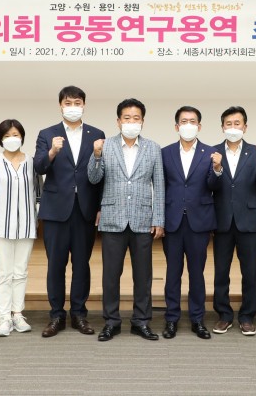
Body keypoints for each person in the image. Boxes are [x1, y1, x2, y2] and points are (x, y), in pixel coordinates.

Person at [88, 98, 165, 342]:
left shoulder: (153, 148)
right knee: (111, 276)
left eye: (136, 118)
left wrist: (159, 218)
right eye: (127, 118)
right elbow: (93, 178)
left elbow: (159, 186)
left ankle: (141, 321)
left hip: (143, 219)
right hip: (113, 218)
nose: (132, 122)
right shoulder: (105, 145)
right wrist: (96, 155)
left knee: (143, 276)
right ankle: (111, 321)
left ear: (142, 121)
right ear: (118, 121)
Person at [34, 86, 105, 338]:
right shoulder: (47, 134)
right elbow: (39, 167)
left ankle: (79, 313)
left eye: (77, 102)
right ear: (60, 106)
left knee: (81, 264)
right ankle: (56, 315)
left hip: (85, 209)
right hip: (56, 210)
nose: (72, 107)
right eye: (68, 103)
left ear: (83, 105)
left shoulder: (97, 134)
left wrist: (99, 206)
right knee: (56, 264)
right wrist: (52, 152)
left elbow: (101, 174)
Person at [160, 106, 220, 340]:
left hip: (199, 221)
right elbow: (161, 186)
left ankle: (197, 319)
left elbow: (214, 186)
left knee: (197, 273)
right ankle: (171, 319)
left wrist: (217, 169)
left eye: (192, 121)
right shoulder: (165, 153)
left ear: (199, 126)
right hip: (172, 221)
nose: (188, 125)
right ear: (176, 126)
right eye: (184, 121)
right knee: (172, 273)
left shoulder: (211, 153)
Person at [211, 106, 256, 336]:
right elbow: (210, 185)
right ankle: (224, 315)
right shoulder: (213, 152)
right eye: (229, 124)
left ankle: (247, 316)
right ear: (222, 127)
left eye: (237, 123)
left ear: (245, 127)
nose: (233, 127)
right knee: (221, 271)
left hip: (248, 220)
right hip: (222, 220)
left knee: (249, 272)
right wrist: (216, 169)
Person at [0, 119, 40, 337]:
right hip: (0, 224)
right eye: (7, 136)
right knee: (4, 273)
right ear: (0, 139)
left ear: (22, 137)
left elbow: (38, 193)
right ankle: (4, 318)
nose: (12, 139)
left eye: (15, 135)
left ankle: (18, 314)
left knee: (20, 271)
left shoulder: (31, 162)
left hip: (26, 224)